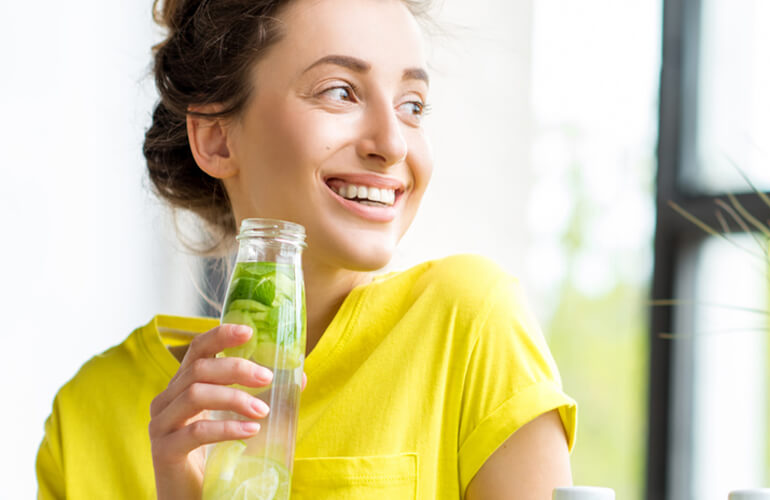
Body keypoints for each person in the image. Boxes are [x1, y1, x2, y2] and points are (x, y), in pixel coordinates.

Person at [34, 0, 576, 498]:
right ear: (217, 139)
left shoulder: (469, 325)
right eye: (340, 91)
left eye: (413, 106)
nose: (391, 144)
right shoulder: (89, 414)